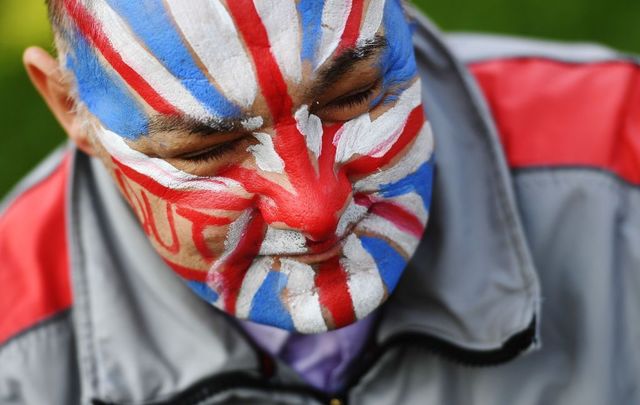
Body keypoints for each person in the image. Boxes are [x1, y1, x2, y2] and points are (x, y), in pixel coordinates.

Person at [0, 1, 638, 404]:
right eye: (209, 149)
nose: (315, 210)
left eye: (350, 96)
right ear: (68, 107)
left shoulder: (621, 160)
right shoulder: (16, 353)